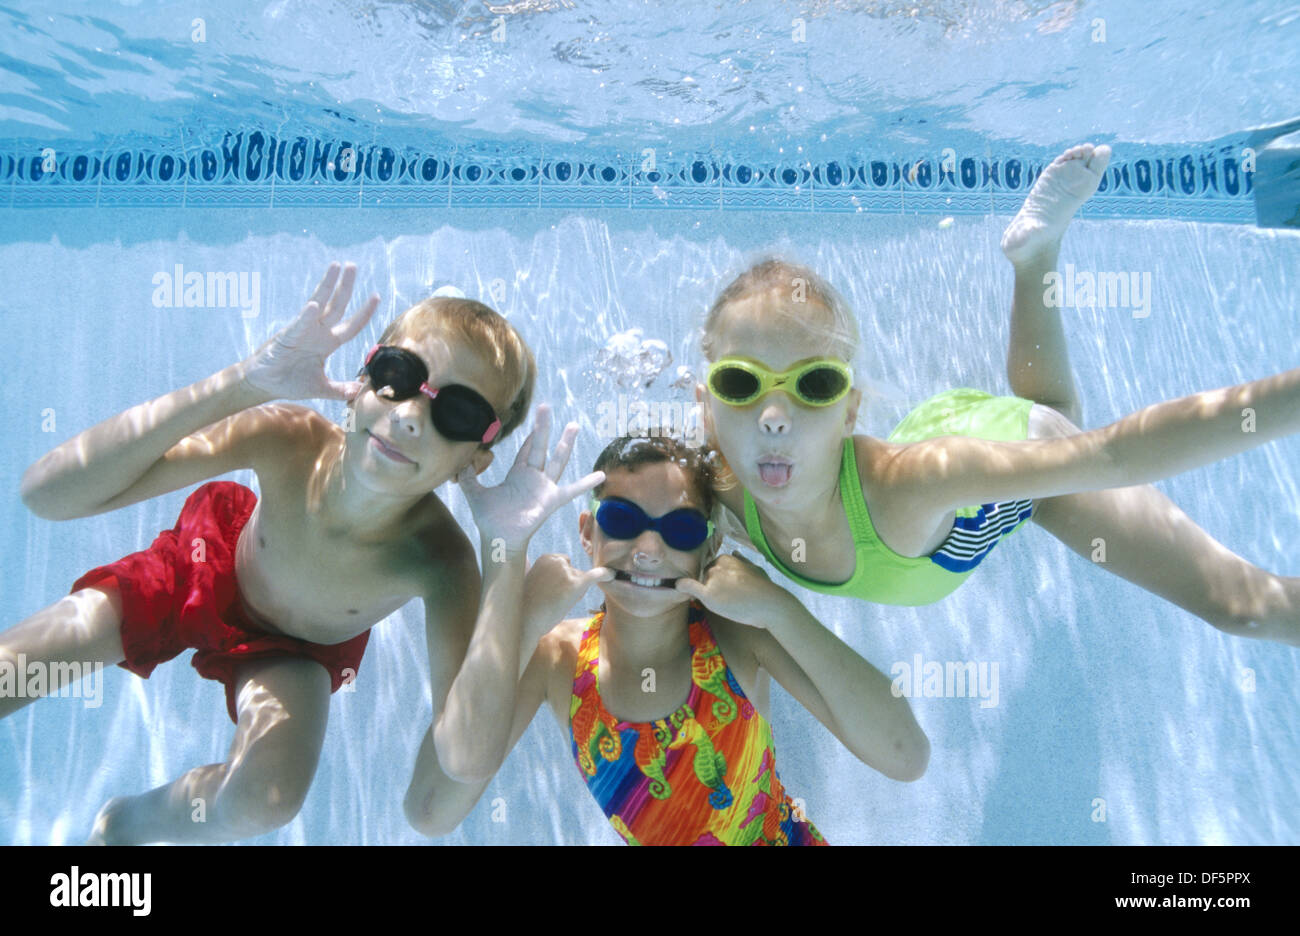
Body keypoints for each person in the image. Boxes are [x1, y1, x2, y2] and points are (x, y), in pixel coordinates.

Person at [5, 262, 595, 843]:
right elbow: (48, 493)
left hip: (294, 652)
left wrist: (505, 553)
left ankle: (127, 827)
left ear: (474, 458)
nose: (411, 415)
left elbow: (464, 758)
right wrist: (244, 383)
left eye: (458, 412)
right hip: (201, 570)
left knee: (266, 802)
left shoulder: (441, 560)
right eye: (398, 373)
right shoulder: (288, 437)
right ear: (363, 380)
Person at [696, 144, 1300, 644]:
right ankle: (1035, 255)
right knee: (1060, 410)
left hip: (978, 450)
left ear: (851, 410)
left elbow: (1114, 455)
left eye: (815, 385)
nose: (773, 417)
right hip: (939, 433)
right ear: (707, 403)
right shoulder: (707, 482)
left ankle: (1038, 256)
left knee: (1241, 606)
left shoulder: (912, 486)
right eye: (741, 384)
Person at [406, 435, 930, 845]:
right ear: (587, 533)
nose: (649, 548)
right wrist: (522, 620)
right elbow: (430, 810)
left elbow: (906, 755)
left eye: (679, 530)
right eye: (622, 520)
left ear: (710, 547)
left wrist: (778, 608)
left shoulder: (736, 633)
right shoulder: (555, 659)